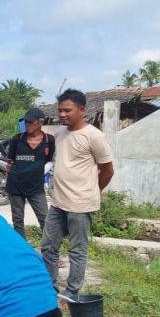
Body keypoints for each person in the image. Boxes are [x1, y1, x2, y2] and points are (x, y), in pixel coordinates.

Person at [40, 89, 114, 301]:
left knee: (77, 251)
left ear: (82, 110)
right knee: (48, 246)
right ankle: (49, 288)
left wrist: (93, 191)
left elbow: (108, 170)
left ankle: (71, 292)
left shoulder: (94, 136)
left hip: (80, 205)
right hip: (58, 203)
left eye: (67, 110)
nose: (62, 115)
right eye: (60, 110)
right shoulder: (60, 134)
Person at [5, 108, 55, 238]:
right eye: (25, 122)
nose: (27, 125)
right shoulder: (17, 139)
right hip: (16, 186)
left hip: (36, 187)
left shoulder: (49, 140)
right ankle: (21, 249)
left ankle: (49, 250)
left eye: (30, 122)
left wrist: (40, 173)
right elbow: (10, 161)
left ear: (40, 122)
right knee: (18, 220)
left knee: (45, 219)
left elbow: (49, 160)